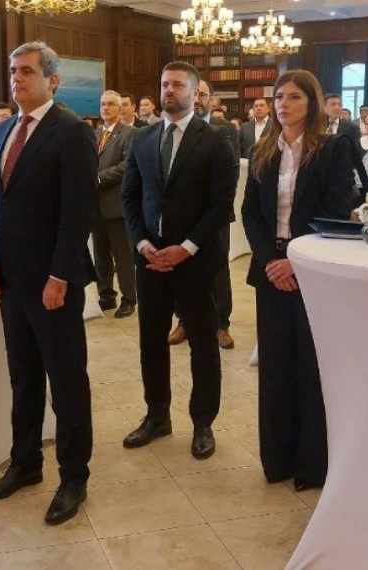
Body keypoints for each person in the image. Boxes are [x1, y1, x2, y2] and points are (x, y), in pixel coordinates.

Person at [0, 41, 97, 526]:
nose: (16, 79)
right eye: (12, 71)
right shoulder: (2, 130)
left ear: (52, 80)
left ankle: (74, 476)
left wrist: (60, 275)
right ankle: (25, 463)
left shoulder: (71, 132)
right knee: (23, 377)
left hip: (52, 282)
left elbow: (77, 212)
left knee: (66, 382)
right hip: (10, 280)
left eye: (26, 71)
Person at [242, 69, 355, 492]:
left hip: (313, 268)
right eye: (278, 97)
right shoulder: (262, 150)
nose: (283, 105)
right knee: (275, 366)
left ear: (311, 103)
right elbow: (250, 213)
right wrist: (271, 259)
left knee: (311, 366)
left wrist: (295, 259)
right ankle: (278, 459)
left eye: (293, 97)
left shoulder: (332, 148)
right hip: (271, 269)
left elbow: (336, 211)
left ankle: (312, 465)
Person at [121, 61, 239, 461]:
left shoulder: (216, 140)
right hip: (151, 259)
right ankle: (157, 416)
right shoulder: (143, 138)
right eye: (164, 84)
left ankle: (203, 422)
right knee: (151, 341)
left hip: (196, 260)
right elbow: (130, 197)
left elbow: (221, 205)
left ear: (194, 91)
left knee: (203, 343)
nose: (168, 90)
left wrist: (185, 247)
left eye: (176, 85)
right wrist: (141, 243)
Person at [169, 78, 238, 349]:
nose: (197, 99)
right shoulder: (175, 127)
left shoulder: (224, 129)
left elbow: (229, 175)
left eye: (203, 94)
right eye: (193, 94)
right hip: (182, 216)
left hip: (216, 214)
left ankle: (221, 325)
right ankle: (184, 321)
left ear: (212, 99)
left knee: (218, 269)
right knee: (182, 269)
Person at [93, 90, 137, 318]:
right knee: (101, 256)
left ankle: (129, 299)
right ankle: (106, 296)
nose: (106, 108)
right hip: (95, 205)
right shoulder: (95, 134)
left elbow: (127, 165)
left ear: (120, 109)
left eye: (111, 104)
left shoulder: (130, 133)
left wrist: (98, 178)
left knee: (123, 256)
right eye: (103, 104)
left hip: (116, 205)